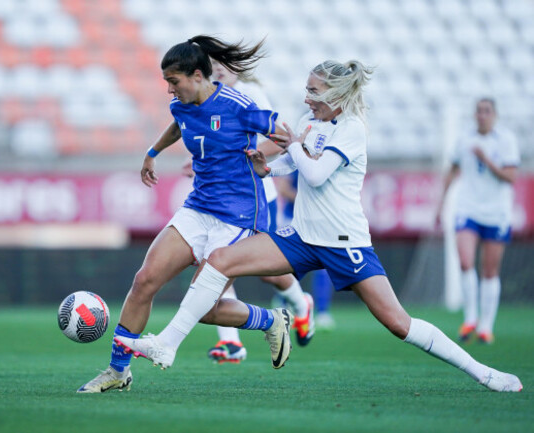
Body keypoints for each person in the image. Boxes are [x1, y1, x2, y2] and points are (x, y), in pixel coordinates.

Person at [117, 60, 523, 392]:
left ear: (337, 95)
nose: (306, 97)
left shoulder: (351, 131)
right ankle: (166, 345)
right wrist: (267, 168)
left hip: (343, 242)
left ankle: (483, 373)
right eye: (307, 89)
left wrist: (291, 144)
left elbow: (314, 175)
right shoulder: (310, 124)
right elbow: (294, 164)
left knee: (400, 323)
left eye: (314, 91)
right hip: (301, 238)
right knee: (219, 261)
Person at [77, 35, 295, 393]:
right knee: (144, 280)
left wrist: (261, 159)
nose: (170, 90)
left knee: (206, 310)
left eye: (173, 82)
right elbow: (180, 123)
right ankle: (117, 371)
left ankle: (272, 319)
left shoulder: (238, 104)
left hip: (238, 217)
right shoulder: (182, 104)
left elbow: (286, 135)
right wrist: (152, 152)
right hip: (199, 207)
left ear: (197, 75)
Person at [204, 58, 315, 364]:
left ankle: (302, 305)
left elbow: (277, 141)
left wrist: (238, 161)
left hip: (255, 196)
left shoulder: (249, 94)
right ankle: (231, 344)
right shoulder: (207, 97)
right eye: (211, 62)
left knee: (265, 271)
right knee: (217, 261)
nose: (218, 68)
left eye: (222, 61)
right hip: (222, 196)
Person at [436, 98, 519, 344]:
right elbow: (452, 169)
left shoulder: (505, 140)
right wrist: (441, 204)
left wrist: (486, 159)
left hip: (497, 212)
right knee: (464, 261)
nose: (482, 115)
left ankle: (486, 326)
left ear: (494, 115)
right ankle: (470, 318)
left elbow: (511, 176)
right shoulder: (464, 139)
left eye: (487, 111)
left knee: (490, 271)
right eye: (479, 111)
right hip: (468, 208)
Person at [274, 170, 336, 330]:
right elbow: (283, 188)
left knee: (323, 267)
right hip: (292, 221)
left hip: (317, 223)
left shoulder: (326, 162)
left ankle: (322, 312)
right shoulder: (298, 162)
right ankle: (284, 303)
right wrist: (305, 201)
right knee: (288, 265)